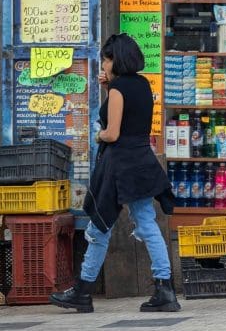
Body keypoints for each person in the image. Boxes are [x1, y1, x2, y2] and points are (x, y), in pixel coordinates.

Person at [51, 34, 179, 314]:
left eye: (106, 60)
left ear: (115, 60)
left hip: (120, 166)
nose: (104, 65)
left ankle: (83, 291)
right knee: (147, 223)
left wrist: (97, 135)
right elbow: (131, 118)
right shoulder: (142, 85)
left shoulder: (120, 88)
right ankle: (165, 289)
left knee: (99, 227)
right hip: (141, 161)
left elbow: (112, 132)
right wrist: (110, 88)